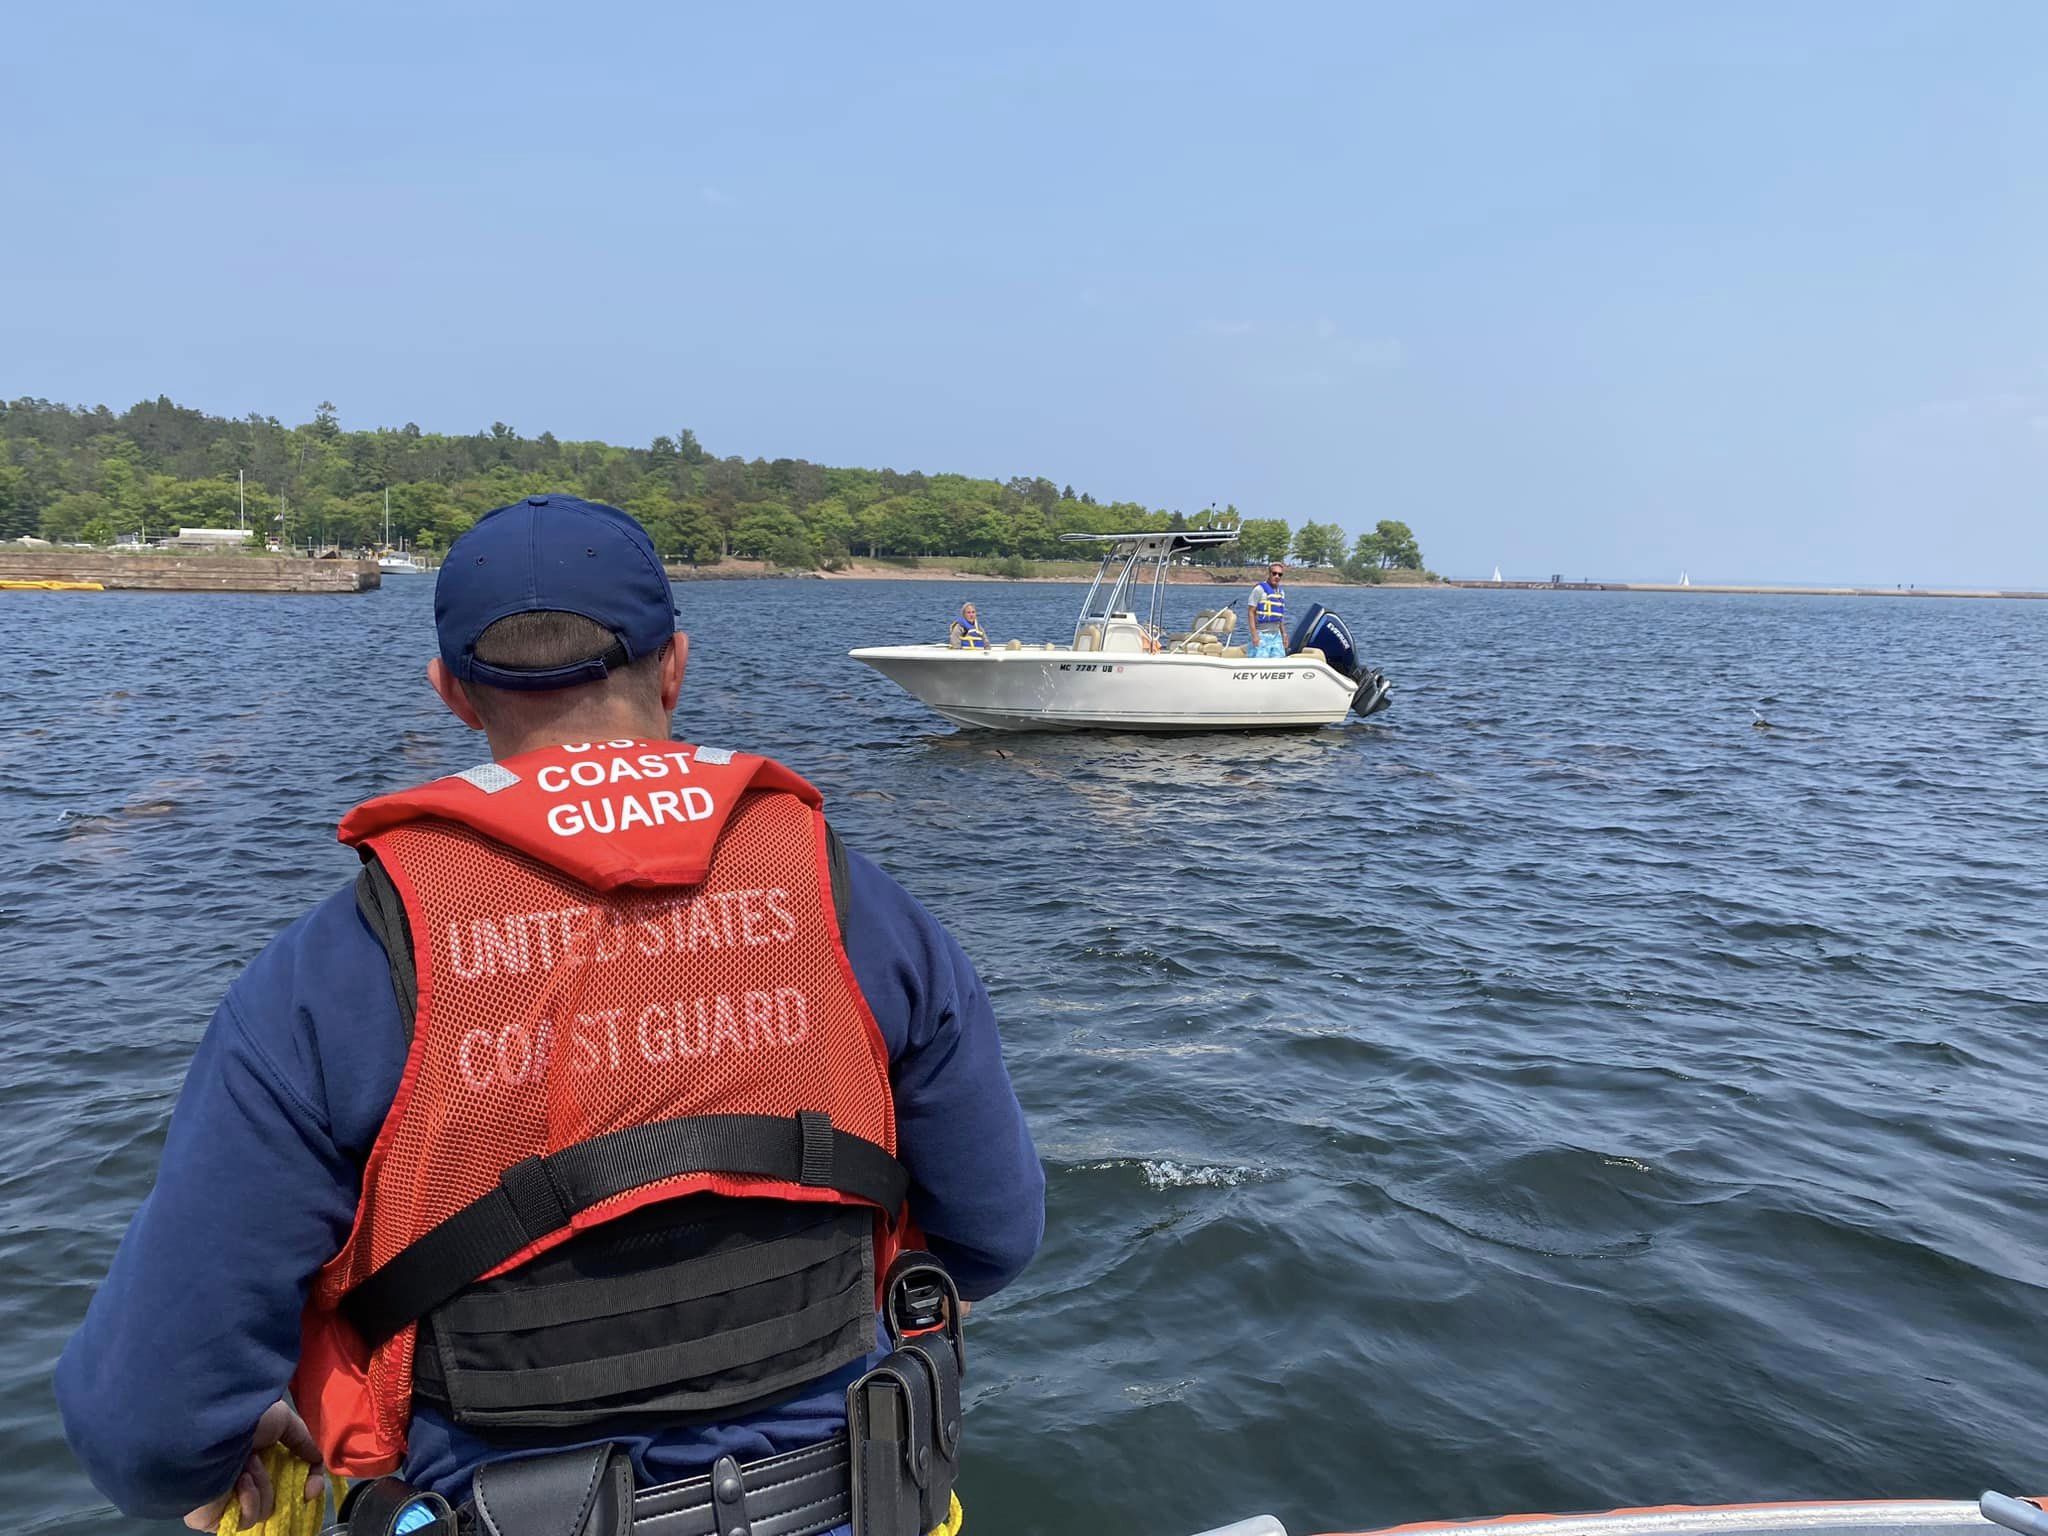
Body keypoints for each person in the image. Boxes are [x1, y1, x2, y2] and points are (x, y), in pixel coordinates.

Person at [55, 495, 1044, 1533]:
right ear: (675, 666)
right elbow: (991, 1234)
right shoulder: (855, 907)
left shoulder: (331, 971)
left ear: (451, 693)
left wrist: (214, 1454)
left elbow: (145, 1425)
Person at [1249, 561, 1289, 657]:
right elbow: (1251, 612)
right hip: (1262, 634)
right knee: (1260, 663)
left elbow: (1280, 616)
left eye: (1280, 574)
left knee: (1278, 661)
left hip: (1276, 635)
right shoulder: (1259, 590)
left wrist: (1284, 634)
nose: (1277, 576)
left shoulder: (1281, 593)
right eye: (1274, 573)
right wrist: (1254, 635)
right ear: (1269, 574)